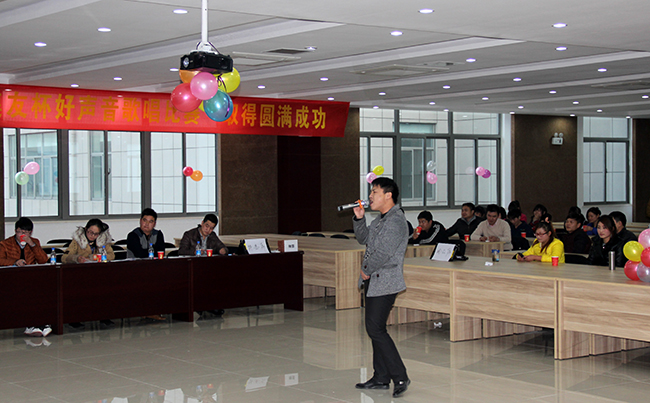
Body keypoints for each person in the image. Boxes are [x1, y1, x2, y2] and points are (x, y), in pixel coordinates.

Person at [352, 177, 410, 398]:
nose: (370, 196)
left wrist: (365, 268)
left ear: (388, 195)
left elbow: (384, 252)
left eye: (374, 192)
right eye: (371, 192)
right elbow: (364, 239)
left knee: (375, 329)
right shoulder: (380, 219)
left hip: (385, 281)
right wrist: (359, 219)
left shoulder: (396, 221)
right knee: (375, 328)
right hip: (374, 280)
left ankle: (400, 376)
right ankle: (381, 377)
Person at [0, 217, 50, 337]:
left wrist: (32, 245)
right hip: (12, 278)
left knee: (43, 291)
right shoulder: (5, 244)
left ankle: (38, 324)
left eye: (27, 232)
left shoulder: (34, 242)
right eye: (21, 232)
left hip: (30, 277)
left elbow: (43, 260)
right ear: (15, 231)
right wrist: (14, 262)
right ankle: (34, 325)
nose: (23, 235)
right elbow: (0, 260)